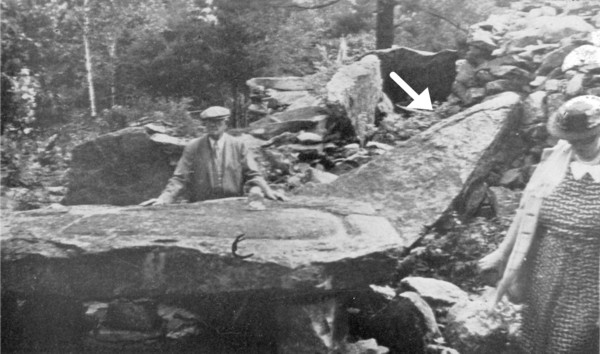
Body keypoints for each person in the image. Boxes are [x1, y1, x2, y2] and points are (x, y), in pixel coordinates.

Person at [478, 95, 600, 353]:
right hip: (547, 261)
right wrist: (501, 252)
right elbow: (527, 211)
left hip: (591, 271)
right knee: (534, 330)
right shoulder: (557, 159)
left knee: (572, 338)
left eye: (587, 140)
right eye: (573, 141)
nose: (579, 147)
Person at [144, 106, 286, 206]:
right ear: (205, 124)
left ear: (225, 123)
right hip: (200, 206)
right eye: (209, 122)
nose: (214, 125)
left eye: (218, 122)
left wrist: (268, 191)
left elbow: (253, 174)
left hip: (232, 205)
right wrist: (163, 199)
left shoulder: (238, 145)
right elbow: (180, 178)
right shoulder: (193, 147)